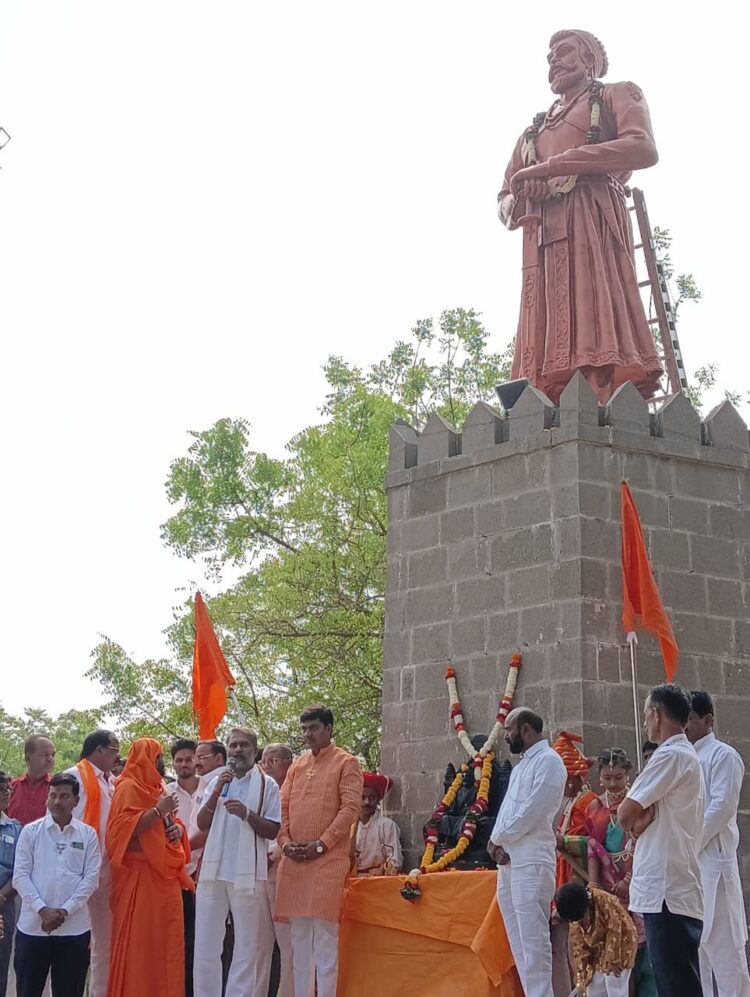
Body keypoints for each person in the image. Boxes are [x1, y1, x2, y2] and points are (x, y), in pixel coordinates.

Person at [497, 29, 661, 404]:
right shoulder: (533, 131)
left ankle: (598, 394)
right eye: (550, 55)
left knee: (595, 316)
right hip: (543, 240)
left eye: (564, 51)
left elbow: (643, 147)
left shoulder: (615, 94)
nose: (554, 59)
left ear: (589, 59)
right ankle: (546, 398)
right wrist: (524, 194)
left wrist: (555, 166)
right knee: (543, 335)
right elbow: (505, 199)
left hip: (593, 221)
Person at [618, 683, 704, 997]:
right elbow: (638, 820)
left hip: (667, 891)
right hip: (673, 887)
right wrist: (636, 827)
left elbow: (625, 813)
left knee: (676, 986)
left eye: (646, 715)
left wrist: (633, 824)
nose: (645, 723)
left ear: (656, 714)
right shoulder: (684, 755)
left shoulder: (670, 755)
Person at [275, 705, 362, 997]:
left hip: (328, 860)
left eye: (313, 728)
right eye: (304, 728)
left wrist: (321, 844)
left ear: (329, 729)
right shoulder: (297, 766)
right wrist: (285, 843)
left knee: (325, 938)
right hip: (295, 860)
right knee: (299, 939)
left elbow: (350, 809)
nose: (307, 734)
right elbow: (281, 808)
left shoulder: (346, 762)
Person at [194, 727, 281, 997]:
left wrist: (247, 814)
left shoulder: (268, 784)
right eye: (233, 745)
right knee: (206, 945)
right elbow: (201, 823)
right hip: (213, 873)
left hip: (247, 875)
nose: (238, 750)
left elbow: (273, 830)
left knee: (246, 946)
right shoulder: (217, 781)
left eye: (244, 745)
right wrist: (218, 789)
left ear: (255, 750)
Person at [487, 707, 567, 997]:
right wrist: (497, 846)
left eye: (509, 729)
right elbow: (507, 812)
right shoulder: (521, 767)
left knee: (535, 945)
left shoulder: (550, 761)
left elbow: (533, 811)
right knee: (519, 945)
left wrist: (495, 838)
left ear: (525, 729)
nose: (506, 736)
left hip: (532, 863)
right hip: (509, 863)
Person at [106, 738, 193, 997]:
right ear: (144, 759)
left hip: (165, 878)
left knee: (167, 945)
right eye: (157, 756)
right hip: (139, 878)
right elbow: (119, 834)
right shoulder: (128, 787)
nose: (162, 762)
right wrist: (156, 811)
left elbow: (173, 822)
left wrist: (178, 831)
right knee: (140, 946)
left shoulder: (159, 788)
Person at [13, 772, 101, 997]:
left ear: (76, 801)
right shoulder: (30, 832)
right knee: (28, 991)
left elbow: (91, 879)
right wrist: (43, 910)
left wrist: (64, 911)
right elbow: (20, 876)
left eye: (64, 796)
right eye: (52, 796)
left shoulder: (88, 835)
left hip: (74, 930)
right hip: (33, 928)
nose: (57, 802)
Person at [686, 690, 750, 997]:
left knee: (727, 954)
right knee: (694, 953)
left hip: (715, 862)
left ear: (708, 719)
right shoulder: (682, 758)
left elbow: (721, 807)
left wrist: (689, 844)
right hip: (689, 869)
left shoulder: (723, 756)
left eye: (690, 718)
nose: (685, 725)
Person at [62, 729, 120, 997]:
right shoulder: (74, 777)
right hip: (75, 870)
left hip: (106, 870)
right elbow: (60, 823)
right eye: (115, 750)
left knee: (103, 942)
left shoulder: (113, 782)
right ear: (99, 750)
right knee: (71, 940)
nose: (117, 756)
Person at [550, 731, 597, 997]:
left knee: (577, 945)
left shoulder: (588, 802)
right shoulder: (570, 802)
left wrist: (563, 841)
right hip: (561, 878)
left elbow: (595, 844)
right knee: (562, 946)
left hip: (577, 881)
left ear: (574, 777)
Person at [555, 881, 637, 996]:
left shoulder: (604, 899)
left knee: (613, 982)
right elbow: (579, 944)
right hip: (598, 949)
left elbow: (615, 929)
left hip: (621, 944)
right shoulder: (574, 916)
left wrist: (613, 959)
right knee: (594, 986)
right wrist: (582, 971)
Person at [258, 744, 295, 997]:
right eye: (264, 760)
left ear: (288, 762)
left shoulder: (297, 792)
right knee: (258, 943)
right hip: (256, 874)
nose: (267, 765)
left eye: (274, 760)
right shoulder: (257, 791)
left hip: (284, 873)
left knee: (288, 943)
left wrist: (273, 853)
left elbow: (298, 829)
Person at [168, 738, 199, 997]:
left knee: (205, 943)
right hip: (177, 877)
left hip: (208, 873)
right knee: (181, 941)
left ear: (197, 760)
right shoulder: (165, 793)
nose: (184, 764)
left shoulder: (211, 789)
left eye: (188, 759)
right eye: (179, 760)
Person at [353, 773, 402, 877]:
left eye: (371, 797)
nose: (367, 802)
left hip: (378, 881)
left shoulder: (387, 825)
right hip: (349, 880)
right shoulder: (346, 826)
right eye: (362, 797)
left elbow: (395, 861)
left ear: (378, 800)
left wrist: (383, 870)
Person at [0, 771, 22, 997]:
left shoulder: (15, 829)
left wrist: (2, 896)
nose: (7, 793)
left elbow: (20, 870)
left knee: (1, 962)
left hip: (3, 904)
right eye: (2, 789)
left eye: (9, 789)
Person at [8, 736, 56, 826]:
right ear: (27, 757)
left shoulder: (56, 789)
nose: (50, 759)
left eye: (52, 755)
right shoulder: (11, 788)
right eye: (45, 754)